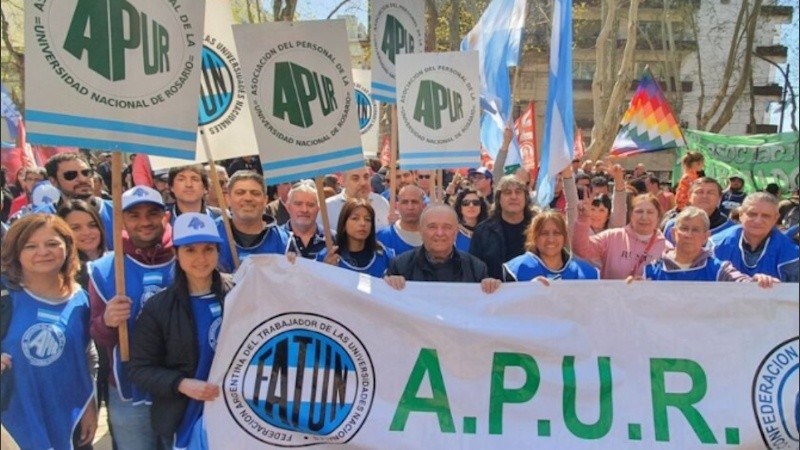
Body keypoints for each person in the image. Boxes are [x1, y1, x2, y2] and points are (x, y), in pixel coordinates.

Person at [128, 213, 233, 449]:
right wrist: (181, 384)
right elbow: (139, 368)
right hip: (184, 417)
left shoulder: (239, 293)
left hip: (235, 416)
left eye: (208, 249)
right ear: (176, 254)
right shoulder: (159, 307)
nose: (201, 258)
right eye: (190, 250)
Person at [0, 214, 98, 450]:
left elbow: (87, 356)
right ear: (15, 252)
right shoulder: (4, 296)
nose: (43, 252)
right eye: (31, 246)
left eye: (52, 244)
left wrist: (90, 405)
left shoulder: (81, 299)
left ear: (68, 247)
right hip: (13, 418)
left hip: (67, 415)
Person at [89, 185, 175, 450]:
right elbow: (93, 332)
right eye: (134, 215)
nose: (145, 222)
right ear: (121, 220)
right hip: (127, 387)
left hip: (178, 383)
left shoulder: (187, 257)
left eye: (152, 213)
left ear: (165, 216)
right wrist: (108, 322)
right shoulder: (104, 269)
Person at [57, 199, 115, 448]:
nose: (86, 233)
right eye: (75, 227)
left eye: (92, 224)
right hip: (81, 372)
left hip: (115, 367)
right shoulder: (59, 276)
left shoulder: (118, 263)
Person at [640, 207, 777, 286]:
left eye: (695, 230)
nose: (688, 234)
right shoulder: (651, 270)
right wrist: (632, 288)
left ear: (706, 236)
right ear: (674, 233)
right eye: (684, 228)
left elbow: (743, 286)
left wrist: (757, 282)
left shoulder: (720, 270)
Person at [384, 204, 501, 293]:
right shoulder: (400, 266)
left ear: (456, 232)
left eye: (447, 227)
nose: (440, 233)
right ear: (420, 230)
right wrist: (390, 284)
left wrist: (491, 287)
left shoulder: (476, 268)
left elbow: (486, 312)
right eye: (432, 227)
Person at [572, 194, 670, 279]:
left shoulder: (666, 248)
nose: (644, 217)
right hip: (612, 298)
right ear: (631, 215)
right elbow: (581, 250)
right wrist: (583, 219)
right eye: (639, 211)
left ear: (658, 217)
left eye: (650, 212)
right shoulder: (612, 237)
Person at [711, 192, 799, 282]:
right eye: (752, 214)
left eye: (766, 216)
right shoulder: (714, 245)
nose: (758, 221)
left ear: (776, 218)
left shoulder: (793, 254)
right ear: (741, 215)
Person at [217, 170, 290, 272]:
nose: (248, 198)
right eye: (240, 193)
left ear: (265, 200)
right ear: (228, 199)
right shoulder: (213, 235)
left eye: (255, 193)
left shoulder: (285, 242)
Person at [41, 153, 115, 249]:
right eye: (71, 175)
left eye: (86, 173)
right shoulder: (43, 218)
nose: (83, 179)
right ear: (53, 181)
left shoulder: (117, 211)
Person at [504, 210, 599, 284]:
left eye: (557, 233)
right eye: (544, 233)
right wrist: (528, 290)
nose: (551, 239)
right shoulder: (516, 269)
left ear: (564, 237)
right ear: (534, 238)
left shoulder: (586, 272)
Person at [470, 175, 534, 279]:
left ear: (526, 198)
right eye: (507, 192)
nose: (513, 197)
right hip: (493, 293)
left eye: (518, 192)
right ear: (499, 199)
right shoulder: (483, 231)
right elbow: (473, 270)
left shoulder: (538, 227)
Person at [317, 199, 394, 277]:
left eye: (367, 219)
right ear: (343, 224)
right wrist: (325, 270)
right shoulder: (328, 257)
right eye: (355, 218)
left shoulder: (384, 255)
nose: (363, 223)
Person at [662, 177, 735, 244]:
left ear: (719, 198)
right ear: (689, 196)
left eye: (711, 193)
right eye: (699, 192)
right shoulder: (672, 225)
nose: (704, 196)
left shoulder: (731, 229)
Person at [320, 166, 392, 231]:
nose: (363, 183)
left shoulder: (382, 203)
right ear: (342, 181)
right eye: (355, 178)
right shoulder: (327, 208)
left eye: (366, 177)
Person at [283, 180, 329, 259]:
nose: (304, 210)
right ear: (287, 207)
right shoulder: (276, 238)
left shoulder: (331, 238)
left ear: (318, 209)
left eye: (310, 205)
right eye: (298, 204)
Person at [377, 185, 425, 255]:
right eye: (405, 202)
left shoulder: (433, 236)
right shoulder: (383, 237)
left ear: (423, 206)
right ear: (398, 206)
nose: (410, 207)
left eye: (414, 202)